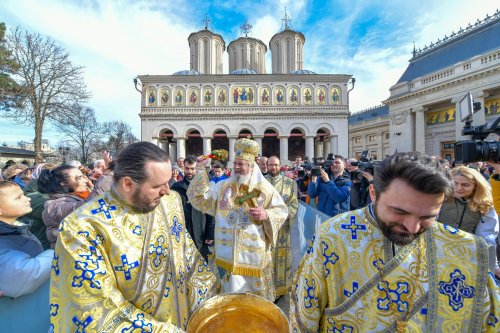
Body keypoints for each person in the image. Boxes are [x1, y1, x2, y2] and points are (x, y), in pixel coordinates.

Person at [291, 152, 500, 332]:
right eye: (400, 212)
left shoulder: (465, 249)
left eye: (427, 217)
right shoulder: (334, 234)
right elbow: (305, 310)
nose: (413, 228)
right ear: (373, 193)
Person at [49, 142, 217, 332]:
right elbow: (95, 308)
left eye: (168, 182)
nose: (167, 190)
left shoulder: (169, 202)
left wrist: (212, 307)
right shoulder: (82, 227)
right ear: (128, 184)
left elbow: (187, 258)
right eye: (158, 185)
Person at [187, 138, 288, 301]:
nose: (236, 167)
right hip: (226, 260)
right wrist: (200, 171)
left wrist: (266, 215)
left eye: (241, 164)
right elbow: (199, 198)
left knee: (253, 305)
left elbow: (281, 211)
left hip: (253, 261)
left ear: (251, 166)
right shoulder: (223, 186)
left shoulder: (265, 189)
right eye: (235, 163)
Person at [438, 166, 500, 277]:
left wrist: (493, 266)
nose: (458, 188)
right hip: (438, 253)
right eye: (455, 183)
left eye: (465, 185)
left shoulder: (484, 205)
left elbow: (486, 238)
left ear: (476, 186)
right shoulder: (439, 198)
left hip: (468, 257)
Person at [0, 181, 53, 298]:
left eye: (23, 194)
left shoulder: (17, 227)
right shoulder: (4, 238)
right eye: (18, 197)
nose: (27, 199)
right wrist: (58, 251)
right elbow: (25, 274)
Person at [265, 156, 299, 301]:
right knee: (266, 257)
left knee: (281, 258)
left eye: (276, 165)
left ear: (280, 166)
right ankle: (266, 286)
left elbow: (293, 204)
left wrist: (281, 217)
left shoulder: (289, 183)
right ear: (267, 166)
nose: (273, 168)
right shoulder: (260, 182)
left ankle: (280, 288)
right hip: (264, 227)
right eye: (271, 165)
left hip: (282, 228)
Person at [40, 165, 95, 248]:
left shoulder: (79, 196)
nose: (86, 180)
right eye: (79, 178)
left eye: (84, 176)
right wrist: (108, 175)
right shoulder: (55, 205)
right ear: (63, 183)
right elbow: (89, 206)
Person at [171, 156, 214, 260]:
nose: (189, 171)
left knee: (201, 260)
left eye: (192, 168)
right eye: (187, 168)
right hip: (183, 227)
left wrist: (210, 233)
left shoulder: (205, 187)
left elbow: (210, 210)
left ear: (196, 169)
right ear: (183, 168)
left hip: (200, 227)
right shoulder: (176, 187)